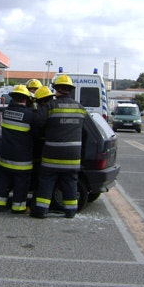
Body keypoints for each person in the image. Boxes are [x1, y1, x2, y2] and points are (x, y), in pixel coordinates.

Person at [31, 74, 85, 219]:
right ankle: (70, 211)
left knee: (47, 181)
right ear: (70, 90)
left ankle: (41, 211)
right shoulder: (80, 108)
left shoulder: (51, 105)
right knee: (70, 182)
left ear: (56, 89)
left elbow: (37, 122)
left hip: (53, 154)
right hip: (73, 155)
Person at [0, 85, 35, 214]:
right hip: (23, 161)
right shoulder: (30, 115)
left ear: (13, 98)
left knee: (2, 184)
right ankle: (18, 208)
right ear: (26, 99)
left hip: (5, 158)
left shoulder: (5, 113)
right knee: (21, 186)